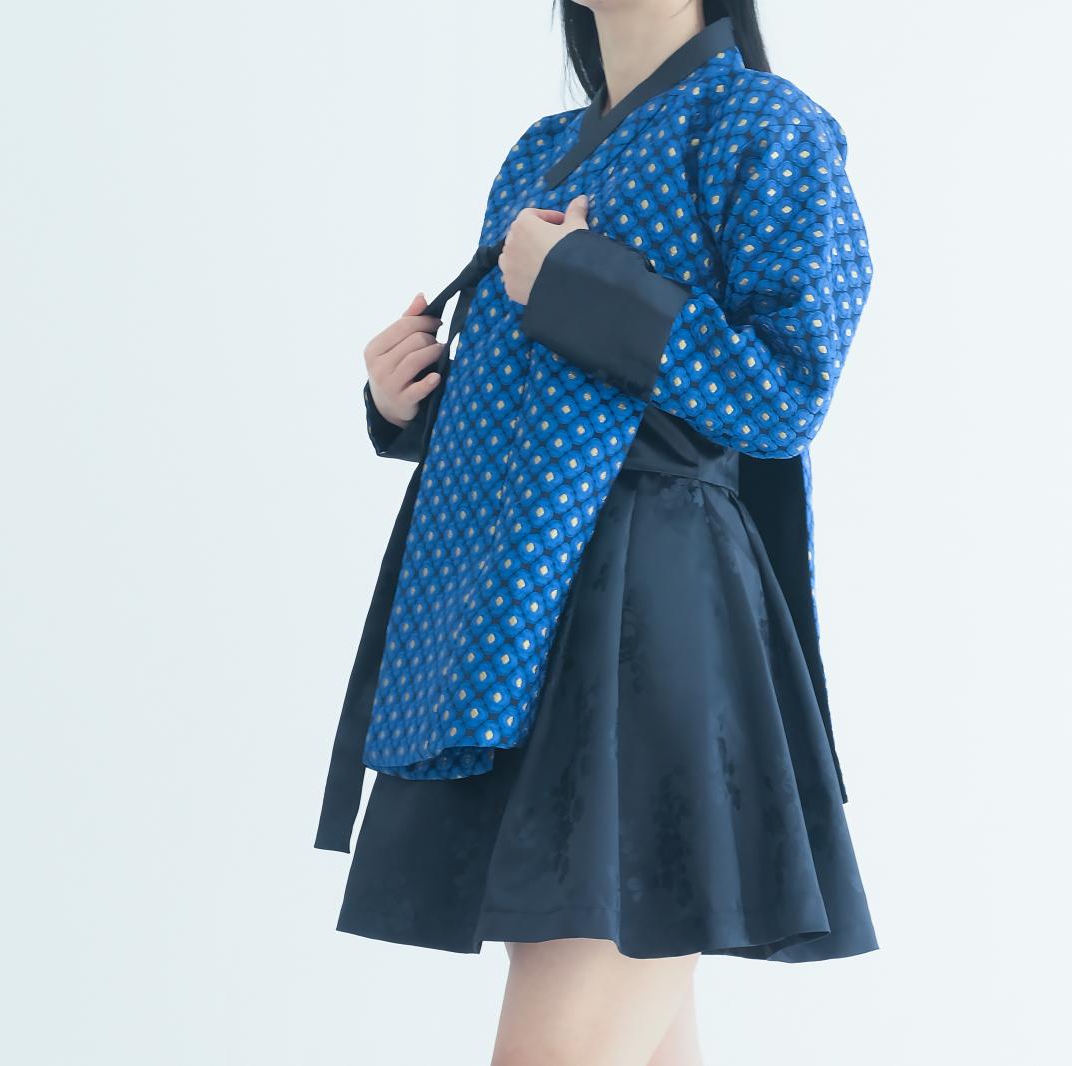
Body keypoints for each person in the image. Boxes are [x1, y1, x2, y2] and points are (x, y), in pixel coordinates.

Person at [316, 3, 876, 1062]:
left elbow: (785, 390)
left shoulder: (768, 126)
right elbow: (545, 401)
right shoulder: (539, 150)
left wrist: (575, 280)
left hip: (656, 615)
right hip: (519, 622)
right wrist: (408, 403)